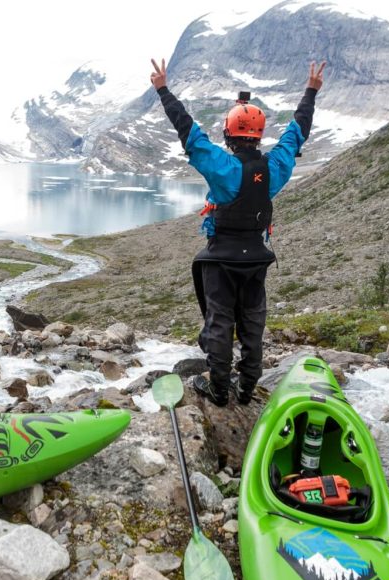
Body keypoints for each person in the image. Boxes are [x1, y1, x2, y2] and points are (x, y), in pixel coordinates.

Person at [150, 57, 325, 407]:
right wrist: (310, 91)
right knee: (252, 322)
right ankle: (246, 389)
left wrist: (163, 90)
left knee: (219, 321)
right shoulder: (275, 168)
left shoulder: (222, 167)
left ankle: (218, 389)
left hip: (220, 258)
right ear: (259, 134)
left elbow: (189, 132)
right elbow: (297, 132)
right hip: (256, 257)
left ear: (229, 133)